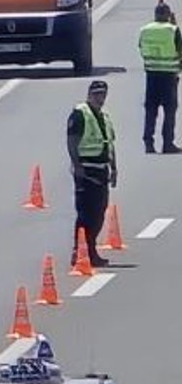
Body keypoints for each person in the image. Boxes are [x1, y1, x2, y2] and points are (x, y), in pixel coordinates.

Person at [66, 81, 117, 267]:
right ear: (89, 94)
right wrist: (76, 165)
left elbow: (109, 144)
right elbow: (72, 141)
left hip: (102, 170)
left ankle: (91, 248)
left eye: (103, 94)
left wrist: (114, 168)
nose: (100, 98)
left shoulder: (104, 117)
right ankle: (79, 251)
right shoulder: (80, 114)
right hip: (86, 169)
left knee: (99, 212)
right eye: (96, 94)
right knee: (85, 213)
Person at [138, 2, 182, 153]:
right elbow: (180, 50)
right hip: (169, 76)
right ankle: (167, 143)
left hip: (151, 76)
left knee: (150, 111)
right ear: (168, 15)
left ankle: (148, 143)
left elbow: (141, 47)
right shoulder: (173, 30)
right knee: (169, 111)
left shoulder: (145, 30)